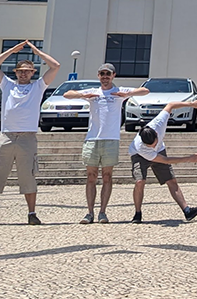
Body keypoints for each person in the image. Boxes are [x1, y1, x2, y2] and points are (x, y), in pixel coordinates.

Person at [0, 40, 60, 226]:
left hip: (27, 137)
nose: (24, 74)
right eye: (21, 71)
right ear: (16, 72)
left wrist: (37, 51)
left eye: (28, 71)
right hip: (7, 136)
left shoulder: (38, 87)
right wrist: (12, 50)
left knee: (28, 175)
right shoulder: (8, 85)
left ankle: (32, 213)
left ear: (32, 73)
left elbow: (55, 66)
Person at [63, 63, 149, 224]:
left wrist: (124, 93)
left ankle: (103, 211)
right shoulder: (92, 92)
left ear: (113, 75)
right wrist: (83, 96)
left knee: (107, 176)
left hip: (111, 139)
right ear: (98, 76)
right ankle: (89, 212)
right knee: (91, 176)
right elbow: (67, 94)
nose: (105, 77)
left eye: (107, 74)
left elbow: (145, 91)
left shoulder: (118, 93)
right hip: (92, 139)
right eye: (102, 74)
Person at [129, 99, 197, 224]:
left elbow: (170, 105)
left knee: (171, 180)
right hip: (138, 155)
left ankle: (187, 211)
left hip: (160, 152)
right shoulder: (141, 146)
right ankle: (137, 214)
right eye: (149, 145)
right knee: (140, 181)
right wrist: (188, 158)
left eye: (153, 143)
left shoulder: (158, 123)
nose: (152, 146)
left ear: (156, 133)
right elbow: (165, 160)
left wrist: (191, 104)